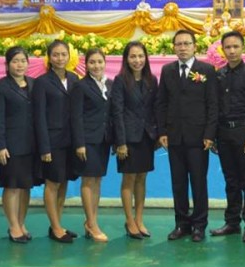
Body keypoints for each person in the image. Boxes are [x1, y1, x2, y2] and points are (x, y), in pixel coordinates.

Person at [156, 30, 218, 243]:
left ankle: (199, 225)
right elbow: (161, 103)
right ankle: (181, 224)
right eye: (179, 44)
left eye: (186, 43)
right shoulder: (167, 70)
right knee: (178, 183)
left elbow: (213, 105)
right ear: (174, 47)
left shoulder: (206, 70)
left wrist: (210, 134)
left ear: (194, 46)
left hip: (199, 138)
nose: (182, 47)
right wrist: (162, 132)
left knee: (199, 183)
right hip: (174, 137)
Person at [211, 31, 245, 243]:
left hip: (244, 133)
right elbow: (215, 107)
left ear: (243, 48)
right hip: (224, 134)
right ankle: (232, 222)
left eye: (236, 47)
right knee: (230, 180)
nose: (232, 51)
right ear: (222, 49)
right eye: (228, 47)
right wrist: (214, 136)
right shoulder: (219, 75)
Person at [33, 40, 79, 243]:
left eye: (63, 54)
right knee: (52, 183)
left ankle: (57, 225)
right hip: (52, 142)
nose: (60, 58)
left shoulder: (74, 78)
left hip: (70, 140)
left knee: (64, 182)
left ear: (69, 56)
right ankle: (56, 227)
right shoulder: (42, 82)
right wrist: (44, 147)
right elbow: (39, 117)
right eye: (56, 54)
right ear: (49, 58)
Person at [111, 41, 158, 239]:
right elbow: (117, 112)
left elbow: (155, 109)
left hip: (146, 137)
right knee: (129, 178)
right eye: (133, 56)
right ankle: (129, 221)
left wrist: (157, 135)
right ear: (126, 59)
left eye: (140, 56)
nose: (137, 60)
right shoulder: (120, 80)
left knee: (142, 178)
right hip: (128, 139)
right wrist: (120, 142)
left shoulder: (152, 80)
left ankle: (139, 219)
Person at [0, 46, 36, 244]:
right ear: (7, 65)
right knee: (12, 186)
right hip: (10, 146)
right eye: (15, 61)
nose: (19, 65)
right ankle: (13, 225)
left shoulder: (34, 84)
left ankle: (21, 222)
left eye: (23, 61)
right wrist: (0, 146)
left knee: (26, 187)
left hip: (31, 145)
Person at [71, 48, 113, 242]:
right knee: (88, 180)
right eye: (92, 62)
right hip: (87, 141)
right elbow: (76, 116)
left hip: (103, 140)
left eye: (99, 61)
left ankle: (91, 221)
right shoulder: (81, 86)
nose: (96, 66)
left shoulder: (110, 84)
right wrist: (79, 143)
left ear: (105, 63)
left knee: (97, 180)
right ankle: (92, 223)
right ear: (86, 65)